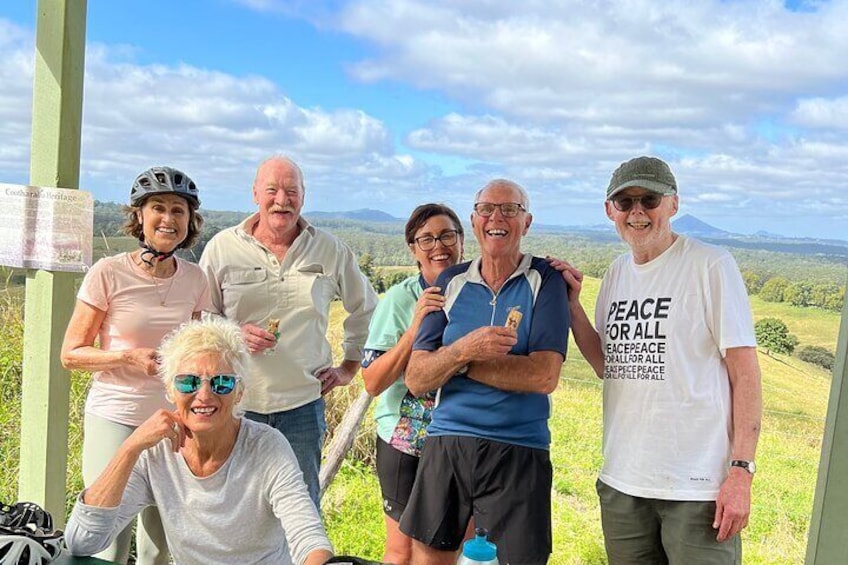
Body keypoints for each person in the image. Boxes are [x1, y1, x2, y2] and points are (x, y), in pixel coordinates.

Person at [551, 155, 762, 564]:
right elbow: (605, 365)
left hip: (697, 489)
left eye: (649, 199)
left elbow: (746, 374)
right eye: (625, 202)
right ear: (610, 210)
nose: (637, 212)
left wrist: (741, 471)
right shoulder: (616, 273)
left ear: (673, 204)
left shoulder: (710, 265)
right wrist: (574, 307)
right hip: (623, 483)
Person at [64, 317, 334, 564]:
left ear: (239, 393)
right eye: (188, 382)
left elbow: (307, 536)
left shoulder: (266, 446)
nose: (204, 395)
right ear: (170, 390)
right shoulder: (156, 453)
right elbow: (82, 541)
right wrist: (129, 448)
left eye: (222, 383)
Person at [399, 180, 570, 564]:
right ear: (474, 221)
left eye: (509, 209)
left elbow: (543, 376)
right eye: (487, 209)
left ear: (526, 222)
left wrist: (456, 361)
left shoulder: (545, 280)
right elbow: (417, 377)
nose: (497, 217)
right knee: (429, 557)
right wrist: (463, 349)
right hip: (448, 440)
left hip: (519, 446)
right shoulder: (450, 282)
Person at [199, 155, 377, 510]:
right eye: (272, 190)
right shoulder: (223, 246)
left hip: (302, 407)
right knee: (232, 506)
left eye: (291, 191)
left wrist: (349, 368)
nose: (282, 199)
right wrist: (234, 333)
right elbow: (201, 315)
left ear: (303, 196)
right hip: (234, 404)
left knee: (298, 508)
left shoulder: (330, 249)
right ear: (254, 194)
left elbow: (366, 308)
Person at [61, 166, 211, 565]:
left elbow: (197, 346)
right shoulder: (108, 273)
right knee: (106, 534)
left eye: (178, 210)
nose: (168, 219)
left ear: (189, 221)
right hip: (117, 414)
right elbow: (71, 353)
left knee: (162, 540)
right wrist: (128, 356)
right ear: (139, 216)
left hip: (171, 420)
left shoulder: (196, 278)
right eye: (157, 208)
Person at [360, 203, 465, 565]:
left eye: (447, 235)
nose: (439, 245)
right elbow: (372, 381)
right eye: (426, 239)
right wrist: (416, 328)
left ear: (462, 241)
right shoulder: (399, 299)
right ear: (413, 249)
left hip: (461, 438)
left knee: (454, 547)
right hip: (406, 439)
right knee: (402, 550)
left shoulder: (479, 292)